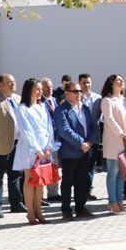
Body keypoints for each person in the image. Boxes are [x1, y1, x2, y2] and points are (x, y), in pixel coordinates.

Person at [13, 78, 58, 224]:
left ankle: (39, 210)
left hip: (45, 148)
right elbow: (26, 131)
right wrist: (37, 150)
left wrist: (49, 146)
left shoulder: (42, 107)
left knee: (40, 181)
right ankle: (30, 212)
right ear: (29, 90)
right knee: (30, 179)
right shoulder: (22, 109)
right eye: (37, 89)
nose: (40, 92)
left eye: (40, 89)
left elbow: (49, 128)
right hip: (29, 149)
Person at [54, 81, 98, 221]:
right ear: (67, 93)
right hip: (70, 152)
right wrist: (81, 142)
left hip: (85, 151)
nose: (79, 94)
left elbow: (93, 126)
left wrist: (89, 141)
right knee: (67, 182)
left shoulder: (84, 108)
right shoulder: (61, 109)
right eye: (76, 91)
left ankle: (80, 208)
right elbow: (64, 130)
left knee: (82, 181)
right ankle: (66, 210)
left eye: (80, 91)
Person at [0, 74, 26, 218]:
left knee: (16, 175)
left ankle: (16, 203)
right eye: (9, 82)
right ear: (0, 85)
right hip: (0, 144)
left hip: (18, 143)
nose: (13, 84)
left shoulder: (18, 99)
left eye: (14, 82)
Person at [100, 74, 126, 214]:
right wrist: (123, 135)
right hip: (114, 141)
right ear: (112, 83)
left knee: (123, 173)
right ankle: (112, 202)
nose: (121, 82)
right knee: (113, 171)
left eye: (122, 80)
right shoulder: (107, 101)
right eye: (118, 80)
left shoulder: (125, 100)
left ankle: (120, 201)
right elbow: (110, 120)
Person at [78, 74, 103, 199]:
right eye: (83, 83)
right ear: (79, 83)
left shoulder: (98, 99)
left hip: (94, 136)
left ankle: (88, 190)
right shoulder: (76, 98)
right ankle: (79, 189)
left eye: (88, 82)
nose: (86, 85)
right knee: (80, 164)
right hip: (80, 137)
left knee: (91, 164)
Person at [39, 78, 61, 203]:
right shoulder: (39, 102)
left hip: (56, 139)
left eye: (51, 86)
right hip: (45, 140)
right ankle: (40, 195)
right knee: (43, 166)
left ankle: (53, 193)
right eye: (47, 87)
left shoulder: (56, 101)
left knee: (54, 166)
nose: (50, 89)